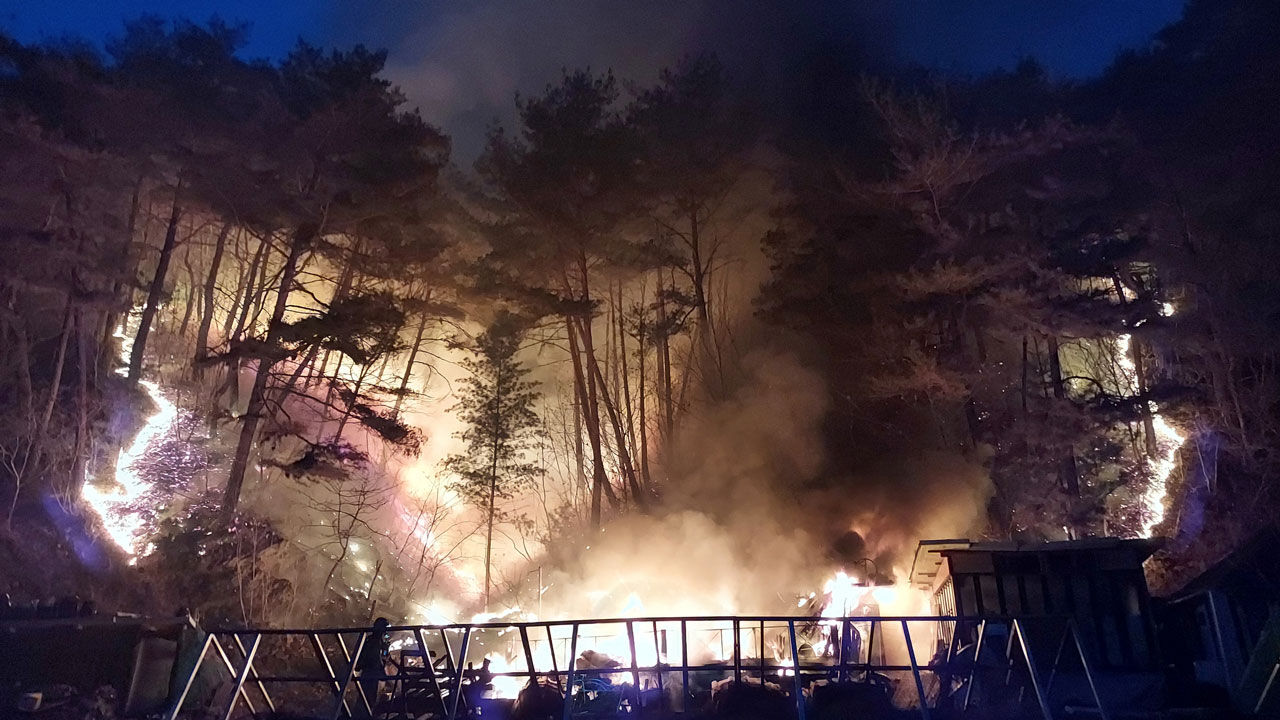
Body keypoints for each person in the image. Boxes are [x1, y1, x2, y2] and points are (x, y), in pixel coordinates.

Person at [356, 618, 391, 714]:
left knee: (367, 699)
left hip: (370, 674)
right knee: (368, 699)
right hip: (371, 674)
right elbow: (376, 658)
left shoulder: (373, 640)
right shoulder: (374, 641)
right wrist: (382, 672)